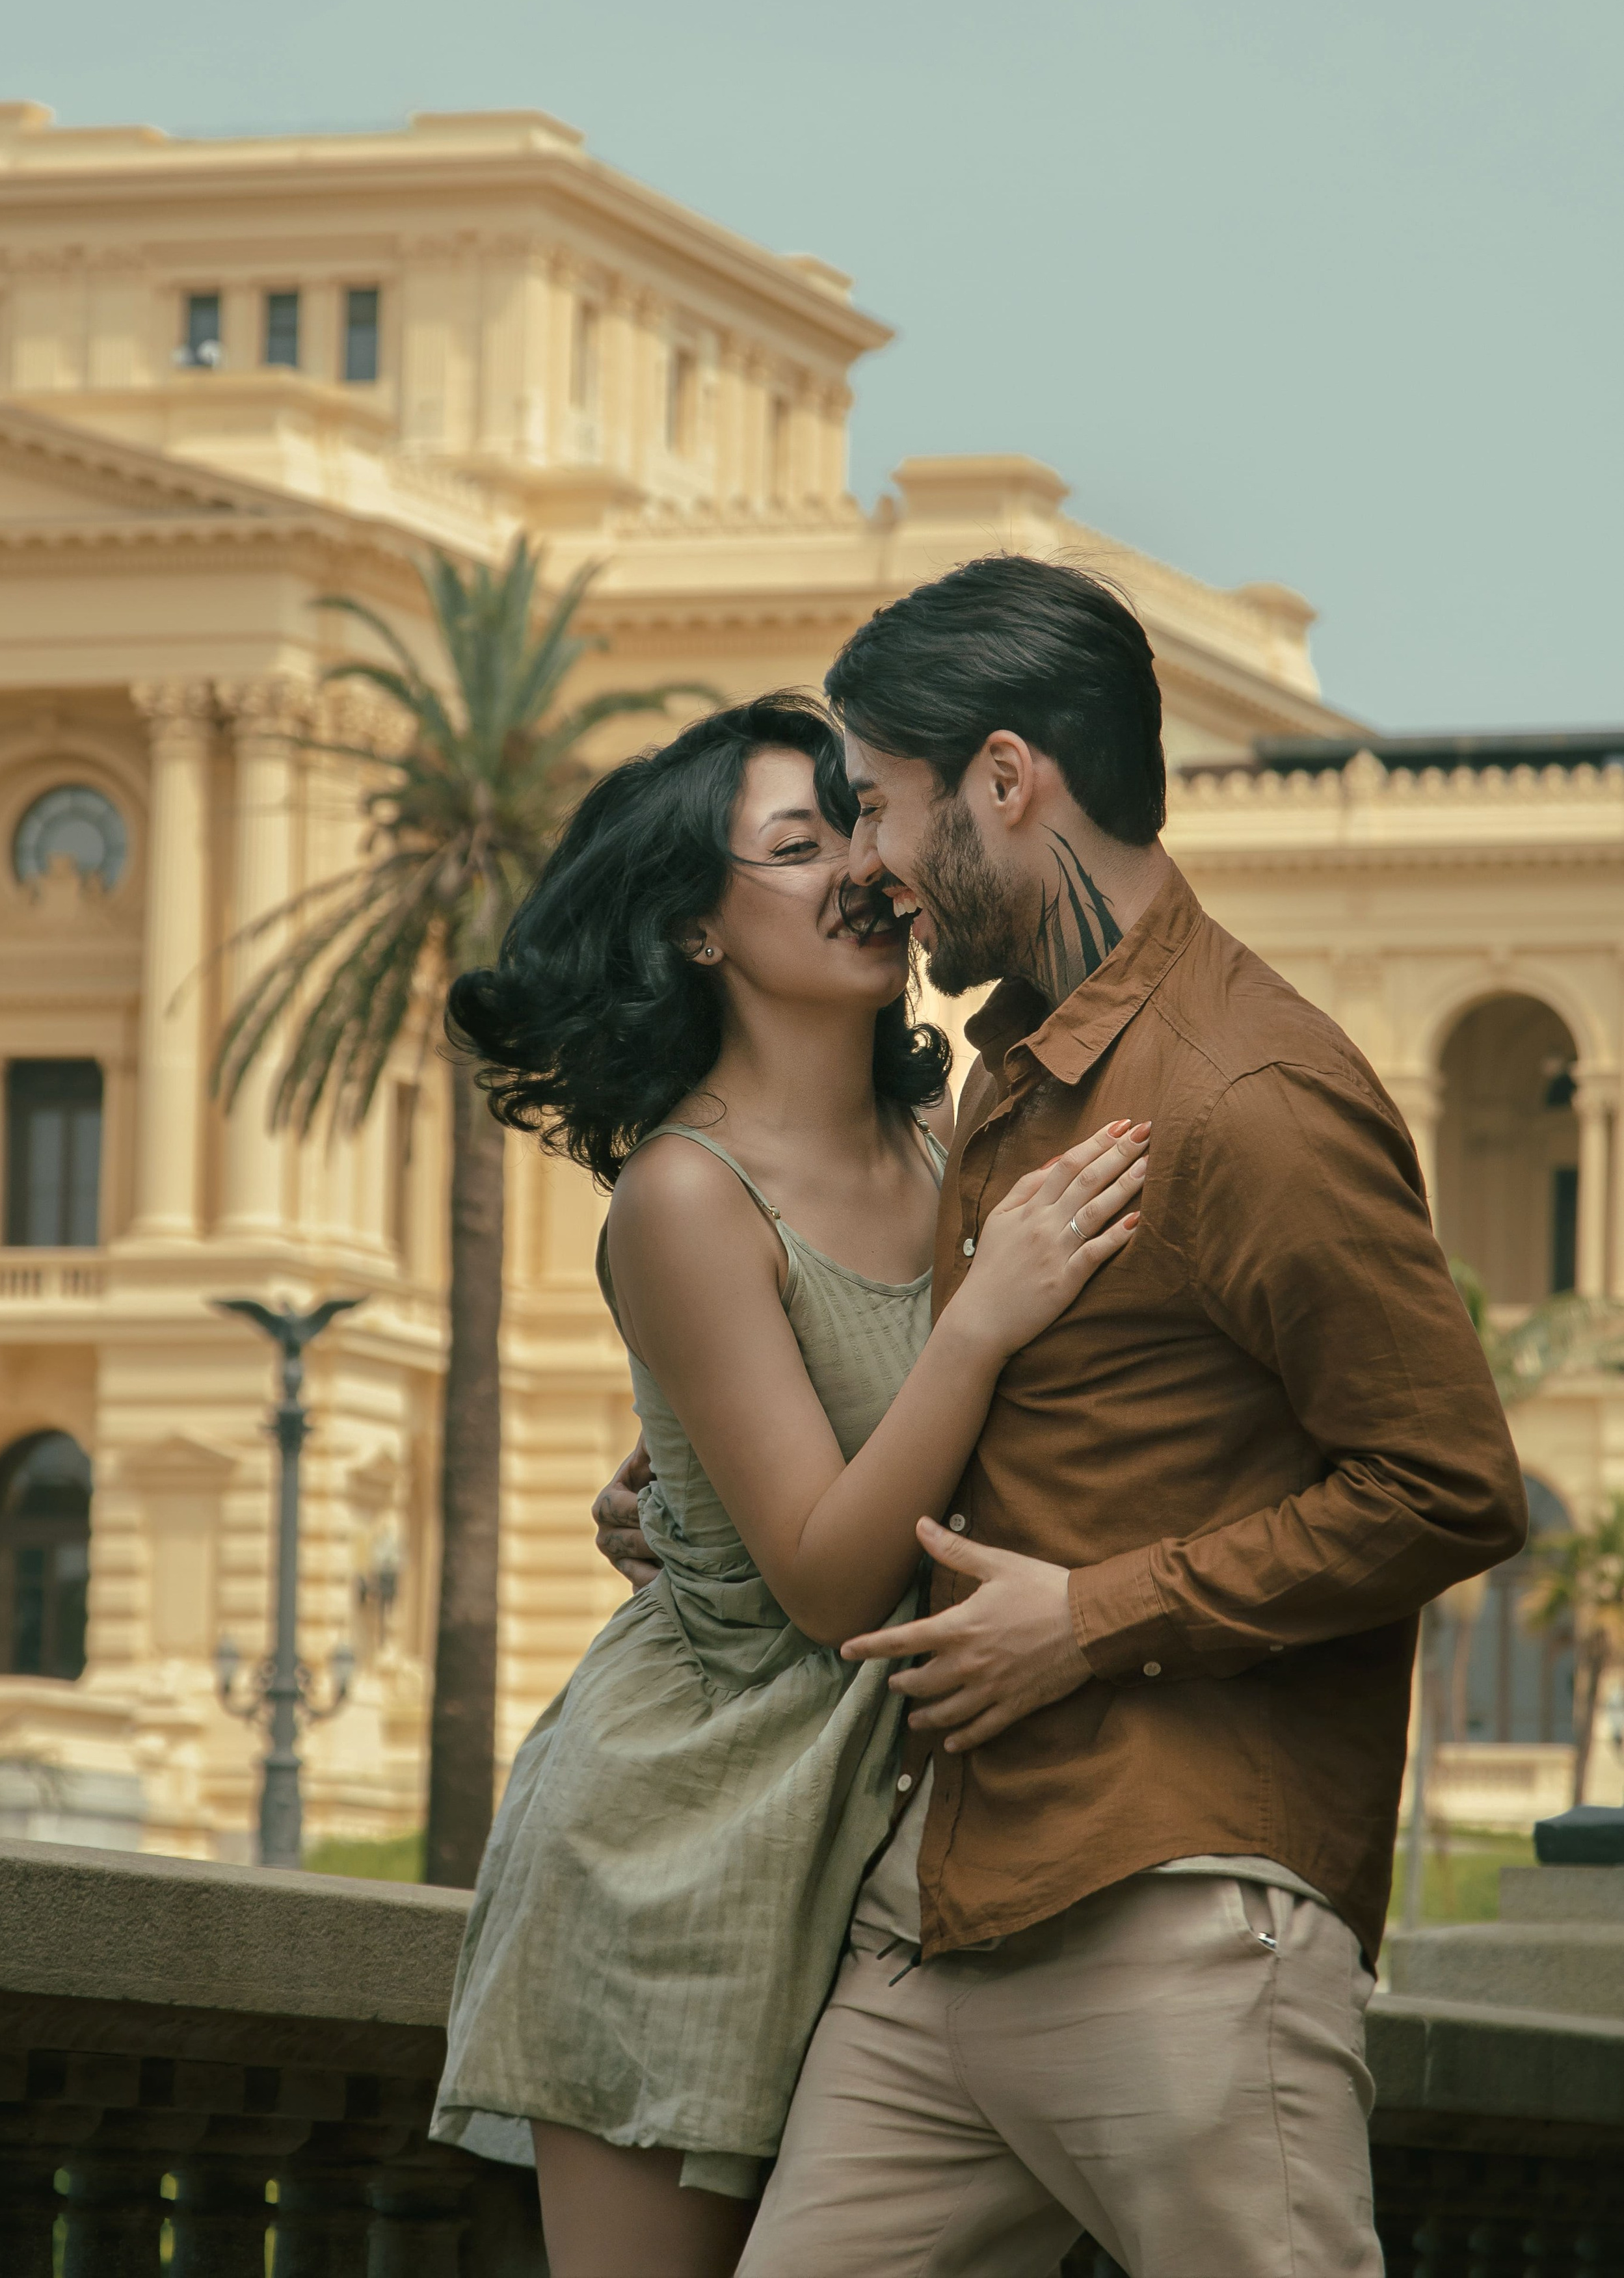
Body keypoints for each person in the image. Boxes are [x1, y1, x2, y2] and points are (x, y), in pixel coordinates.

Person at [596, 560, 1528, 2278]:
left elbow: (1450, 1482)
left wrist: (1093, 1615)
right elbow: (975, 1384)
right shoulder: (1010, 1071)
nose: (862, 858)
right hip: (937, 1915)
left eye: (875, 803)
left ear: (1009, 781)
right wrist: (706, 1476)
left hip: (1175, 1919)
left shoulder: (1250, 1096)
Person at [429, 692, 1147, 2278]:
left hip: (890, 1834)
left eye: (858, 829)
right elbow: (825, 1584)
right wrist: (981, 1317)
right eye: (791, 844)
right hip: (681, 1847)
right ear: (693, 929)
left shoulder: (951, 1131)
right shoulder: (687, 1194)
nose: (859, 871)